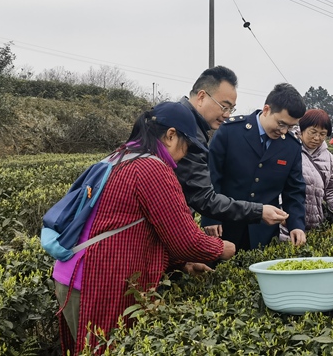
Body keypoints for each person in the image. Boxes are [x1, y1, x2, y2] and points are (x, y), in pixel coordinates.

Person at [53, 101, 236, 355]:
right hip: (95, 281)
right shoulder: (152, 168)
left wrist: (181, 263)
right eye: (187, 146)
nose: (185, 155)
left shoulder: (122, 156)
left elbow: (133, 227)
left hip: (73, 274)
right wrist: (220, 248)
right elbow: (186, 240)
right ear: (171, 135)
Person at [175, 66, 289, 230]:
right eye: (224, 106)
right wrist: (259, 211)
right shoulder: (185, 132)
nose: (228, 114)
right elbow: (203, 198)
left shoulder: (182, 120)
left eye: (231, 109)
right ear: (201, 97)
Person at [202, 83, 307, 250]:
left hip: (263, 234)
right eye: (281, 124)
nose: (284, 131)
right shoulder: (230, 132)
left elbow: (294, 190)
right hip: (225, 227)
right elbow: (212, 176)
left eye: (290, 126)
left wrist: (296, 224)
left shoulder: (291, 146)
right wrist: (211, 218)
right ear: (266, 110)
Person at [280, 109, 333, 240]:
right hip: (285, 226)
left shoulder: (329, 158)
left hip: (313, 227)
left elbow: (331, 192)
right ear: (302, 130)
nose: (317, 138)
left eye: (322, 134)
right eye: (313, 132)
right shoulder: (288, 149)